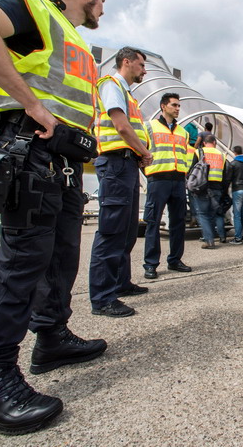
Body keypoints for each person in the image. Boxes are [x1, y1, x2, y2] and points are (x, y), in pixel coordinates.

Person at [0, 0, 110, 435]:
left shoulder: (73, 39)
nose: (103, 7)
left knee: (58, 256)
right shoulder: (34, 10)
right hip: (31, 153)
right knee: (21, 261)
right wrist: (32, 106)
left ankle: (51, 337)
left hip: (62, 164)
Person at [87, 47, 153, 318]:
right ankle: (102, 298)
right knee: (112, 230)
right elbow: (122, 127)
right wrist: (145, 152)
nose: (144, 70)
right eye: (140, 65)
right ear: (126, 62)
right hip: (115, 164)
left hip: (126, 164)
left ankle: (120, 282)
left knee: (126, 230)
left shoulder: (127, 93)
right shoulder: (112, 86)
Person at [143, 92, 194, 278]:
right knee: (153, 222)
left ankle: (174, 260)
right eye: (174, 105)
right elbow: (142, 152)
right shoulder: (149, 127)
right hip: (158, 180)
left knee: (179, 222)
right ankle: (150, 264)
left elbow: (186, 157)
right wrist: (149, 174)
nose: (177, 108)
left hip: (178, 180)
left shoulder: (184, 132)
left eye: (179, 105)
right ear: (163, 106)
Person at [195, 135, 228, 248]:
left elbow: (192, 170)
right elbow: (224, 174)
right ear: (215, 142)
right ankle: (214, 237)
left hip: (202, 187)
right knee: (213, 214)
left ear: (204, 143)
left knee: (203, 214)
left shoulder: (199, 152)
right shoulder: (222, 155)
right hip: (217, 187)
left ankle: (209, 240)